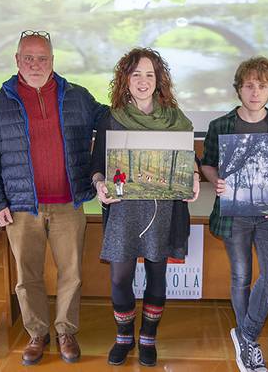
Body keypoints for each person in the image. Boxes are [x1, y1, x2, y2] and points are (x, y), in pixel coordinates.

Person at [0, 30, 106, 366]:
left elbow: (110, 118)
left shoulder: (77, 96)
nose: (36, 64)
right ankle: (37, 333)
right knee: (27, 276)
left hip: (68, 203)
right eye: (29, 57)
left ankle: (66, 331)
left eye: (43, 58)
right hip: (21, 207)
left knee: (72, 273)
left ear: (53, 61)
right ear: (17, 60)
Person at [92, 47, 200, 367]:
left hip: (163, 209)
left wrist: (193, 177)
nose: (143, 80)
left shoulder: (175, 118)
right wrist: (100, 184)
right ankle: (124, 338)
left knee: (157, 273)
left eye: (149, 74)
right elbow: (98, 166)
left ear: (159, 79)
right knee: (119, 278)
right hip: (124, 210)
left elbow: (189, 161)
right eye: (136, 73)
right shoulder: (112, 118)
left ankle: (148, 339)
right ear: (125, 79)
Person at [201, 57, 268, 372]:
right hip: (234, 213)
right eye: (250, 85)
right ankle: (249, 347)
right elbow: (207, 163)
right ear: (239, 88)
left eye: (263, 86)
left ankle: (245, 335)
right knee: (240, 275)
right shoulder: (220, 125)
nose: (256, 92)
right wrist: (217, 181)